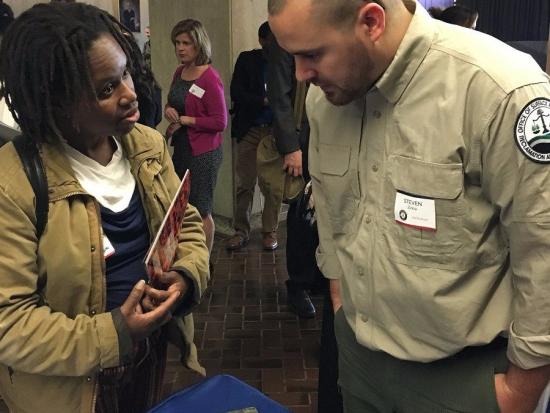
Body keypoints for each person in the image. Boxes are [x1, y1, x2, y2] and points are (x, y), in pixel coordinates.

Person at [268, 0, 550, 412]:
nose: (300, 75)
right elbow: (331, 212)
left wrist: (520, 391)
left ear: (371, 21)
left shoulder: (499, 91)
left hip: (466, 378)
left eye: (311, 54)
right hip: (361, 357)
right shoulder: (325, 101)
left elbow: (543, 254)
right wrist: (340, 298)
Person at [0, 3, 209, 412]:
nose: (131, 94)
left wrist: (184, 277)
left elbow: (186, 230)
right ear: (57, 103)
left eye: (126, 72)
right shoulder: (14, 183)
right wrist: (115, 333)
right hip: (70, 389)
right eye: (105, 89)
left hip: (149, 358)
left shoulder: (147, 146)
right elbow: (10, 323)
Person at [265, 28, 317, 319]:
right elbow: (279, 95)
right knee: (301, 216)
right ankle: (298, 284)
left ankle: (319, 278)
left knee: (328, 215)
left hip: (333, 138)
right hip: (303, 142)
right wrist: (290, 147)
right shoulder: (285, 31)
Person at [165, 19, 227, 256]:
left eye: (186, 43)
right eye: (177, 43)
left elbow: (220, 121)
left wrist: (189, 120)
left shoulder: (210, 78)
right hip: (182, 148)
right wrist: (169, 110)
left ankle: (203, 262)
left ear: (199, 45)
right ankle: (185, 256)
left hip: (204, 153)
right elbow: (174, 102)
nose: (180, 48)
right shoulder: (180, 72)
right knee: (181, 206)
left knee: (201, 209)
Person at [225, 21, 282, 251]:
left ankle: (270, 231)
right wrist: (263, 101)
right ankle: (241, 231)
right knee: (244, 183)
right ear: (262, 40)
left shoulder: (287, 63)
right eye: (273, 39)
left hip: (274, 131)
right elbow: (236, 92)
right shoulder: (247, 60)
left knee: (272, 186)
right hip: (249, 128)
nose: (278, 43)